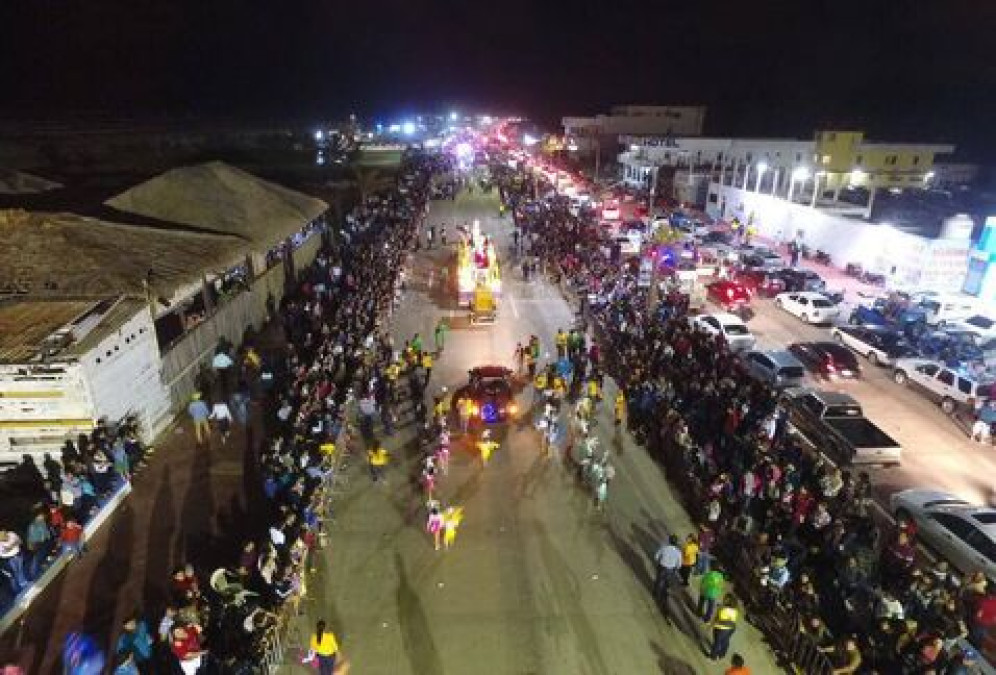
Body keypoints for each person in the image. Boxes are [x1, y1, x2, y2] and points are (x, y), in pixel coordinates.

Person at [653, 535, 682, 607]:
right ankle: (663, 595)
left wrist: (659, 561)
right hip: (671, 569)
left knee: (659, 580)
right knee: (666, 583)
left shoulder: (664, 548)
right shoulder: (678, 552)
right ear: (676, 543)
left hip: (661, 567)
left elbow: (656, 557)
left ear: (669, 540)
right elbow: (679, 564)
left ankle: (656, 593)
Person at [710, 595, 739, 661]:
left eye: (725, 599)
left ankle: (713, 656)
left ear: (729, 601)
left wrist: (712, 624)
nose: (723, 599)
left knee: (717, 642)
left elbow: (719, 619)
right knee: (725, 640)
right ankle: (722, 654)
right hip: (731, 628)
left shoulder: (724, 610)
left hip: (722, 628)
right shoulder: (735, 610)